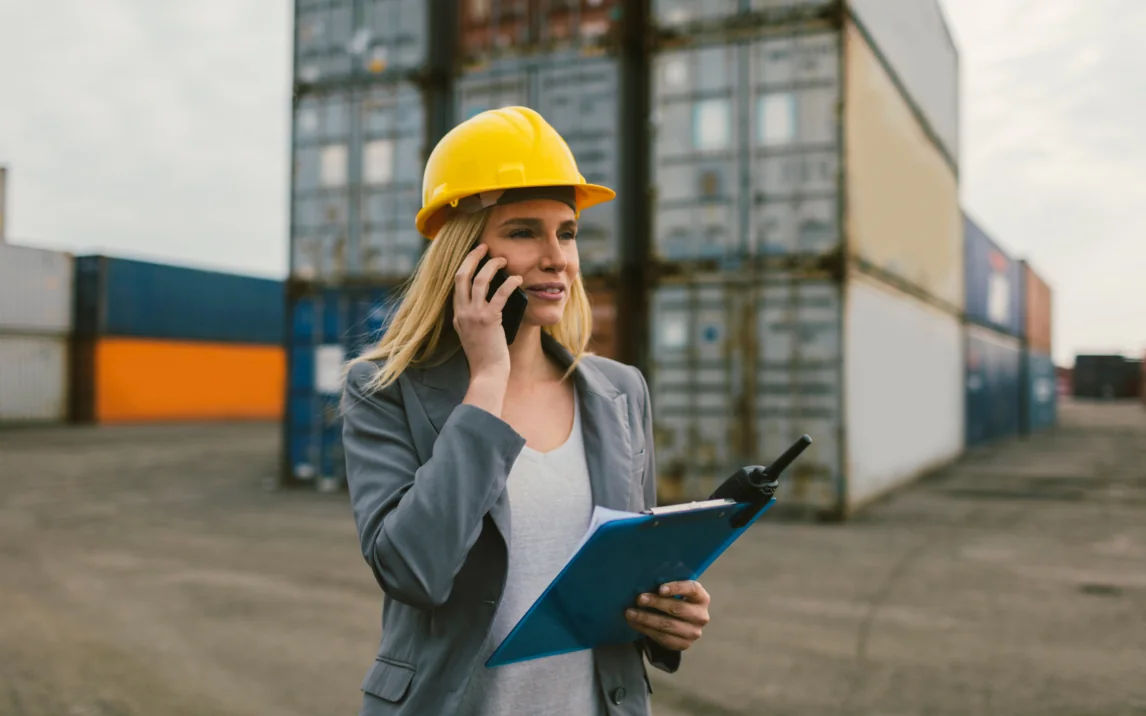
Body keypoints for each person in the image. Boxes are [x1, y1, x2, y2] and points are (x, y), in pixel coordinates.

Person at [340, 106, 713, 716]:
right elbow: (413, 569)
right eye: (522, 232)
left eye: (566, 232)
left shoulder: (620, 391)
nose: (557, 257)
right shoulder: (384, 390)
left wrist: (668, 615)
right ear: (464, 255)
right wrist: (489, 379)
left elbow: (627, 566)